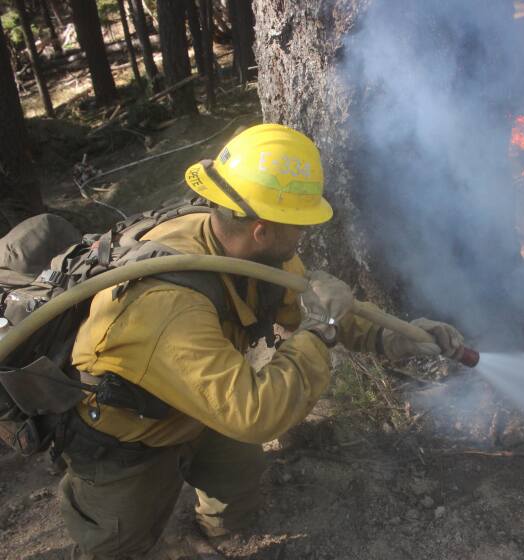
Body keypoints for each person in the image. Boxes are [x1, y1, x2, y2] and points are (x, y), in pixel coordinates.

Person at [60, 124, 465, 559]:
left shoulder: (251, 249)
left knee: (239, 475)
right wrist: (321, 330)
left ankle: (217, 535)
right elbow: (256, 415)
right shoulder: (167, 305)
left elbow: (313, 304)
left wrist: (391, 338)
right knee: (117, 546)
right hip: (130, 438)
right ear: (262, 229)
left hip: (199, 402)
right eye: (300, 224)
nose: (305, 234)